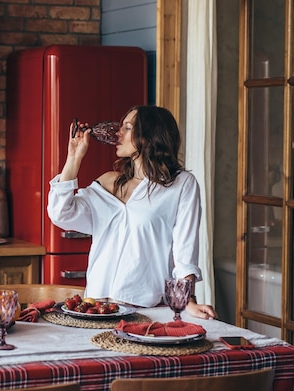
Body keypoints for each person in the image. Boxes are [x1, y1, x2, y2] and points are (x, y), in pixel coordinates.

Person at [47, 105, 217, 319]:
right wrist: (74, 158)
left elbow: (184, 250)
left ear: (149, 136)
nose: (118, 133)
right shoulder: (108, 182)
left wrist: (188, 300)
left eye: (127, 127)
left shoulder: (180, 184)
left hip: (147, 310)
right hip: (96, 308)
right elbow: (60, 213)